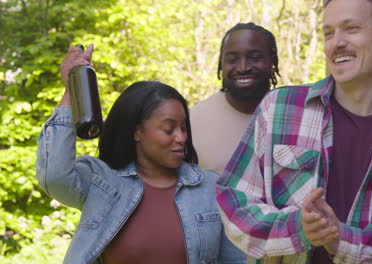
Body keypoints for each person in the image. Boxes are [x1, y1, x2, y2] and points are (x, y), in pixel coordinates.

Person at [216, 0, 372, 263]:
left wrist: (346, 243)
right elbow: (234, 202)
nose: (336, 43)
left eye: (351, 28)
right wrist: (296, 228)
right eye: (328, 33)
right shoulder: (279, 109)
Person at [35, 45, 246, 264]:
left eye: (183, 128)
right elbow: (54, 176)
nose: (181, 137)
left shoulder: (212, 189)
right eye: (168, 129)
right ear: (136, 131)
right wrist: (72, 92)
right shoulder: (101, 181)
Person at [190, 22, 280, 174]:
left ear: (272, 61)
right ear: (221, 64)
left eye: (254, 58)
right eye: (232, 60)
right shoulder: (192, 122)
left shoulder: (294, 116)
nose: (243, 68)